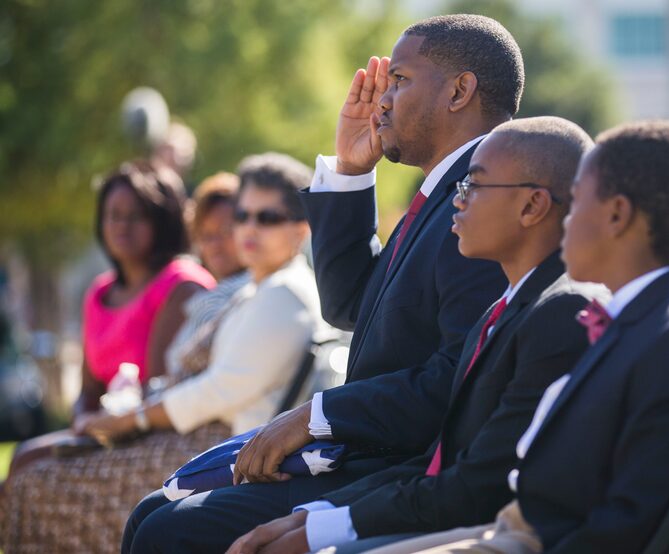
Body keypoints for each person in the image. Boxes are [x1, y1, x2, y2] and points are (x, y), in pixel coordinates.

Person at [123, 14, 523, 553]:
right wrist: (352, 171)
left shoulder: (481, 202)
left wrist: (317, 418)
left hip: (405, 468)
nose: (381, 100)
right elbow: (352, 303)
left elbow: (456, 378)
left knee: (171, 529)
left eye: (399, 80)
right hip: (374, 452)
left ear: (459, 91)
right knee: (154, 514)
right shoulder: (444, 192)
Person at [225, 118, 608, 554]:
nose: (456, 203)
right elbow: (439, 462)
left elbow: (477, 485)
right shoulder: (502, 311)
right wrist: (316, 516)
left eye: (473, 188)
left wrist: (323, 530)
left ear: (532, 206)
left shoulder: (559, 314)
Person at [367, 120, 669, 554]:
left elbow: (628, 522)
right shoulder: (624, 322)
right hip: (516, 530)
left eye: (577, 201)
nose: (564, 221)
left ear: (617, 215)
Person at [0, 154, 325, 553]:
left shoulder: (284, 293)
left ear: (301, 227)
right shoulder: (258, 287)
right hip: (199, 439)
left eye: (267, 217)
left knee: (38, 482)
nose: (248, 229)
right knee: (32, 468)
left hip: (225, 452)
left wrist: (131, 419)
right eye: (241, 215)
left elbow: (218, 390)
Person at [5, 161, 215, 478]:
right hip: (105, 431)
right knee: (24, 459)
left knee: (30, 466)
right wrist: (82, 421)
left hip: (157, 437)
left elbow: (156, 390)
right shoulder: (99, 291)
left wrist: (101, 425)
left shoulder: (181, 285)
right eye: (113, 215)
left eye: (136, 216)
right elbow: (89, 388)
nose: (121, 226)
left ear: (163, 221)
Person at [165, 172, 249, 378]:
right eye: (206, 236)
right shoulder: (216, 293)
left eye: (226, 231)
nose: (215, 245)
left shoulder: (239, 293)